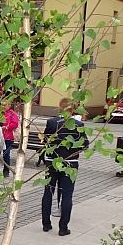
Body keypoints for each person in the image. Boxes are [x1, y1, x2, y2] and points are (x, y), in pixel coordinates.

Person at [41, 98, 89, 236]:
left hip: (52, 161)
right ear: (73, 109)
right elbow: (85, 145)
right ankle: (63, 227)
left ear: (60, 107)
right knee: (67, 195)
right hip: (70, 162)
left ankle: (46, 224)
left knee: (48, 192)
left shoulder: (52, 122)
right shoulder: (78, 125)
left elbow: (46, 140)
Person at [0, 105, 19, 177]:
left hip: (7, 137)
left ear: (9, 105)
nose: (3, 106)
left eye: (5, 105)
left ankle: (6, 171)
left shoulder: (12, 114)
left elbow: (15, 124)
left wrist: (7, 127)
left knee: (6, 155)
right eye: (2, 104)